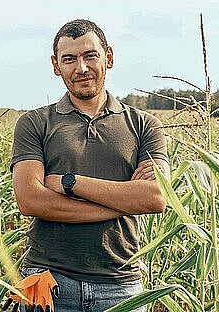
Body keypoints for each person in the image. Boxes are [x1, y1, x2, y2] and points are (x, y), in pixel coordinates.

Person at [10, 19, 169, 312]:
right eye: (69, 59)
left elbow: (155, 197)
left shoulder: (144, 125)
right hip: (47, 282)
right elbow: (31, 200)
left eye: (90, 55)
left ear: (108, 56)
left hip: (122, 287)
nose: (80, 68)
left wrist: (70, 183)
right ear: (56, 65)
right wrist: (124, 202)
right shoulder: (34, 123)